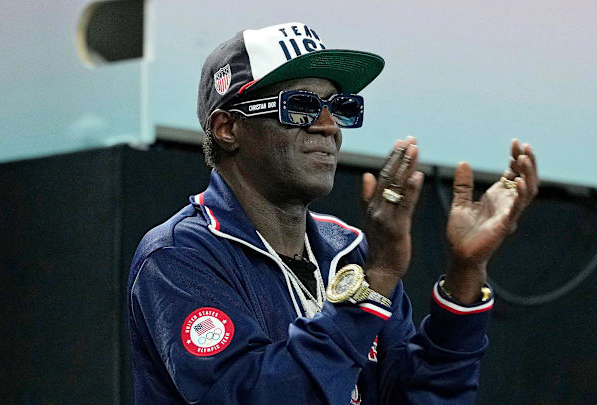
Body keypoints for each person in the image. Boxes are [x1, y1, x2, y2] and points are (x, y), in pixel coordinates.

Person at [127, 22, 539, 404]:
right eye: (302, 105)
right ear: (228, 128)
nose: (329, 126)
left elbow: (423, 396)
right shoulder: (178, 254)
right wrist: (374, 282)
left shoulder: (349, 251)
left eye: (340, 107)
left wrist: (466, 273)